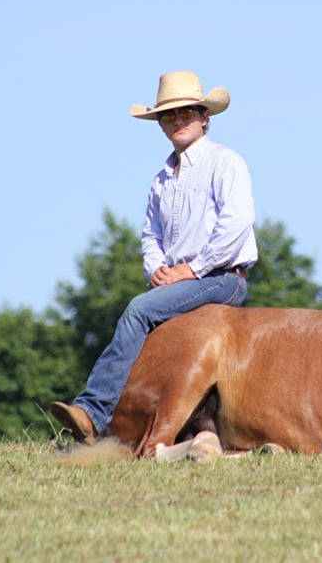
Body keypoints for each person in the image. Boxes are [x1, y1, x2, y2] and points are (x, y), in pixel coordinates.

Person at [51, 70, 257, 444]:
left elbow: (237, 223)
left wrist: (191, 270)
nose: (178, 121)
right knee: (147, 312)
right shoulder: (160, 179)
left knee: (139, 311)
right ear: (160, 125)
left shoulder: (226, 163)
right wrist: (157, 269)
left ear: (204, 117)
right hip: (184, 279)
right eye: (168, 115)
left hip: (222, 278)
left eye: (186, 113)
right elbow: (151, 235)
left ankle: (93, 411)